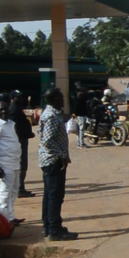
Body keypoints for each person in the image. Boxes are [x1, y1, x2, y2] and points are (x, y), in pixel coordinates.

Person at [38, 87, 77, 241]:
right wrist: (62, 156)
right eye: (61, 97)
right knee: (55, 196)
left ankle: (48, 226)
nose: (63, 100)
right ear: (54, 99)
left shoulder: (50, 113)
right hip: (53, 160)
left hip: (51, 159)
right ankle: (54, 229)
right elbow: (47, 140)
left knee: (49, 194)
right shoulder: (51, 116)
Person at [0, 101, 24, 225]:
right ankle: (3, 221)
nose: (3, 112)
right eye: (0, 110)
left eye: (5, 109)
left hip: (15, 163)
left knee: (14, 191)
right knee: (5, 193)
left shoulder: (11, 124)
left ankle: (11, 216)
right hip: (4, 164)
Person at [8, 91, 36, 198]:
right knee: (21, 165)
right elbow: (15, 127)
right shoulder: (13, 109)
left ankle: (20, 187)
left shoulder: (17, 107)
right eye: (18, 97)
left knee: (22, 165)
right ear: (13, 98)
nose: (21, 99)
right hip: (19, 140)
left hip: (22, 138)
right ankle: (19, 188)